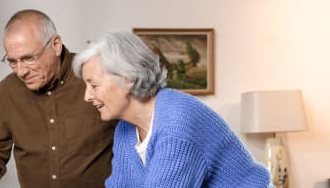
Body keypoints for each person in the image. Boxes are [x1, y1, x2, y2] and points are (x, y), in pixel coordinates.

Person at [72, 31, 271, 187]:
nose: (87, 96)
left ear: (127, 79)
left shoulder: (177, 120)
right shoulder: (125, 131)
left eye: (94, 85)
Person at [0, 9, 117, 188]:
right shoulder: (7, 90)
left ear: (55, 44)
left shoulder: (95, 76)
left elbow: (135, 132)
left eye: (28, 58)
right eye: (13, 61)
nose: (21, 71)